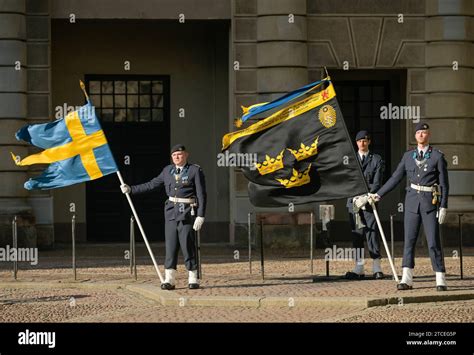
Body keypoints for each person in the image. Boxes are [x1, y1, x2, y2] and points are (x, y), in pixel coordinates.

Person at [370, 122, 449, 291]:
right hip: (412, 203)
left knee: (433, 242)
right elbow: (395, 178)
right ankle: (407, 278)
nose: (421, 135)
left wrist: (443, 206)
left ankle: (440, 277)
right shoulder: (408, 157)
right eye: (418, 132)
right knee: (409, 241)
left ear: (429, 135)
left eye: (424, 132)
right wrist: (379, 194)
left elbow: (444, 184)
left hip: (429, 204)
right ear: (415, 136)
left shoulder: (437, 156)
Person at [120, 144, 206, 290]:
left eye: (179, 154)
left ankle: (193, 278)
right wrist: (131, 189)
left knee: (187, 245)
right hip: (171, 213)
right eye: (174, 155)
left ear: (186, 155)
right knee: (171, 246)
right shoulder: (168, 171)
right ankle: (169, 279)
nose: (176, 157)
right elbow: (152, 184)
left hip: (187, 212)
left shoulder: (194, 170)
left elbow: (201, 195)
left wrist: (201, 215)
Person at [345, 130, 385, 280]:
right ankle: (359, 267)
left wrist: (366, 197)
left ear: (369, 142)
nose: (363, 143)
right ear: (356, 143)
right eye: (360, 141)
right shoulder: (349, 159)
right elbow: (347, 180)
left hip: (369, 202)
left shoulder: (376, 159)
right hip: (353, 203)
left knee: (372, 233)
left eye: (365, 140)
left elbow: (377, 182)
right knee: (357, 234)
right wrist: (355, 198)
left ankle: (376, 266)